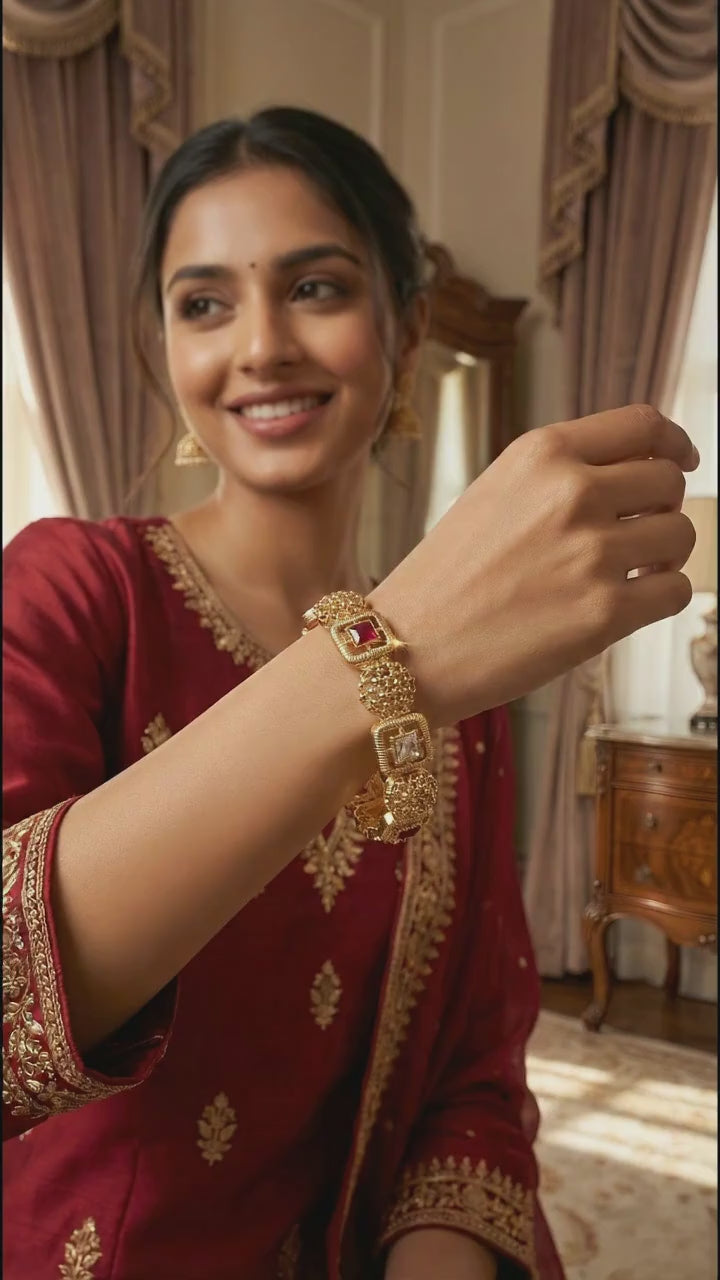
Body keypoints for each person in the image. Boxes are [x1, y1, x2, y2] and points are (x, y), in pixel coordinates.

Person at [2, 107, 697, 1280]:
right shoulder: (74, 590)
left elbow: (473, 1075)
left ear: (407, 326)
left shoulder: (466, 684)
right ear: (161, 350)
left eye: (315, 287)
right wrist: (388, 656)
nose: (261, 345)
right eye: (204, 303)